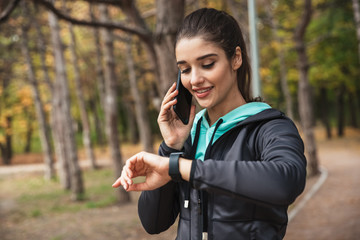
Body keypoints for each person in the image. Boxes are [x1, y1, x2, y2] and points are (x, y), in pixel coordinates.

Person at [112, 8, 306, 240]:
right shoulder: (189, 138)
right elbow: (154, 223)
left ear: (236, 58)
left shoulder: (270, 127)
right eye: (185, 69)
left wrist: (180, 168)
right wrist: (171, 147)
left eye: (207, 64)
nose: (194, 80)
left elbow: (285, 181)